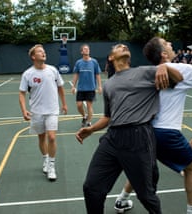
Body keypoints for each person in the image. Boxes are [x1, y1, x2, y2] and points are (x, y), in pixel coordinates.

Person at [114, 37, 192, 214]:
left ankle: (122, 200)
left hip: (142, 130)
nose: (172, 44)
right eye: (167, 44)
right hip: (166, 131)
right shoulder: (182, 69)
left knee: (143, 168)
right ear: (164, 53)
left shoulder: (145, 72)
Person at [75, 43, 184, 214]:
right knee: (92, 188)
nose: (124, 46)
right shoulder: (109, 84)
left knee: (146, 195)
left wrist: (164, 66)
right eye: (119, 46)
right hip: (112, 139)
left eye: (126, 47)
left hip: (138, 137)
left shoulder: (145, 72)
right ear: (111, 57)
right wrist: (91, 129)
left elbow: (178, 79)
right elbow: (108, 117)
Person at [19, 44, 68, 181]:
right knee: (41, 138)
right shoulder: (28, 74)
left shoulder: (53, 70)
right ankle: (45, 159)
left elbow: (60, 88)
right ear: (33, 57)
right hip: (37, 112)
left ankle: (51, 166)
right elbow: (22, 94)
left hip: (52, 110)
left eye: (44, 51)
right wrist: (24, 110)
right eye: (40, 52)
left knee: (51, 137)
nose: (43, 53)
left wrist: (64, 104)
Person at [71, 44, 102, 127]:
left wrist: (99, 86)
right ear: (81, 52)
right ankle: (84, 116)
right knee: (79, 105)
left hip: (91, 88)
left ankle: (89, 121)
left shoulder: (94, 62)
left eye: (88, 49)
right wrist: (73, 86)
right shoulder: (79, 62)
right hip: (81, 88)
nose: (87, 50)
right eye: (85, 49)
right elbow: (76, 74)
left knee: (89, 105)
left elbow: (98, 74)